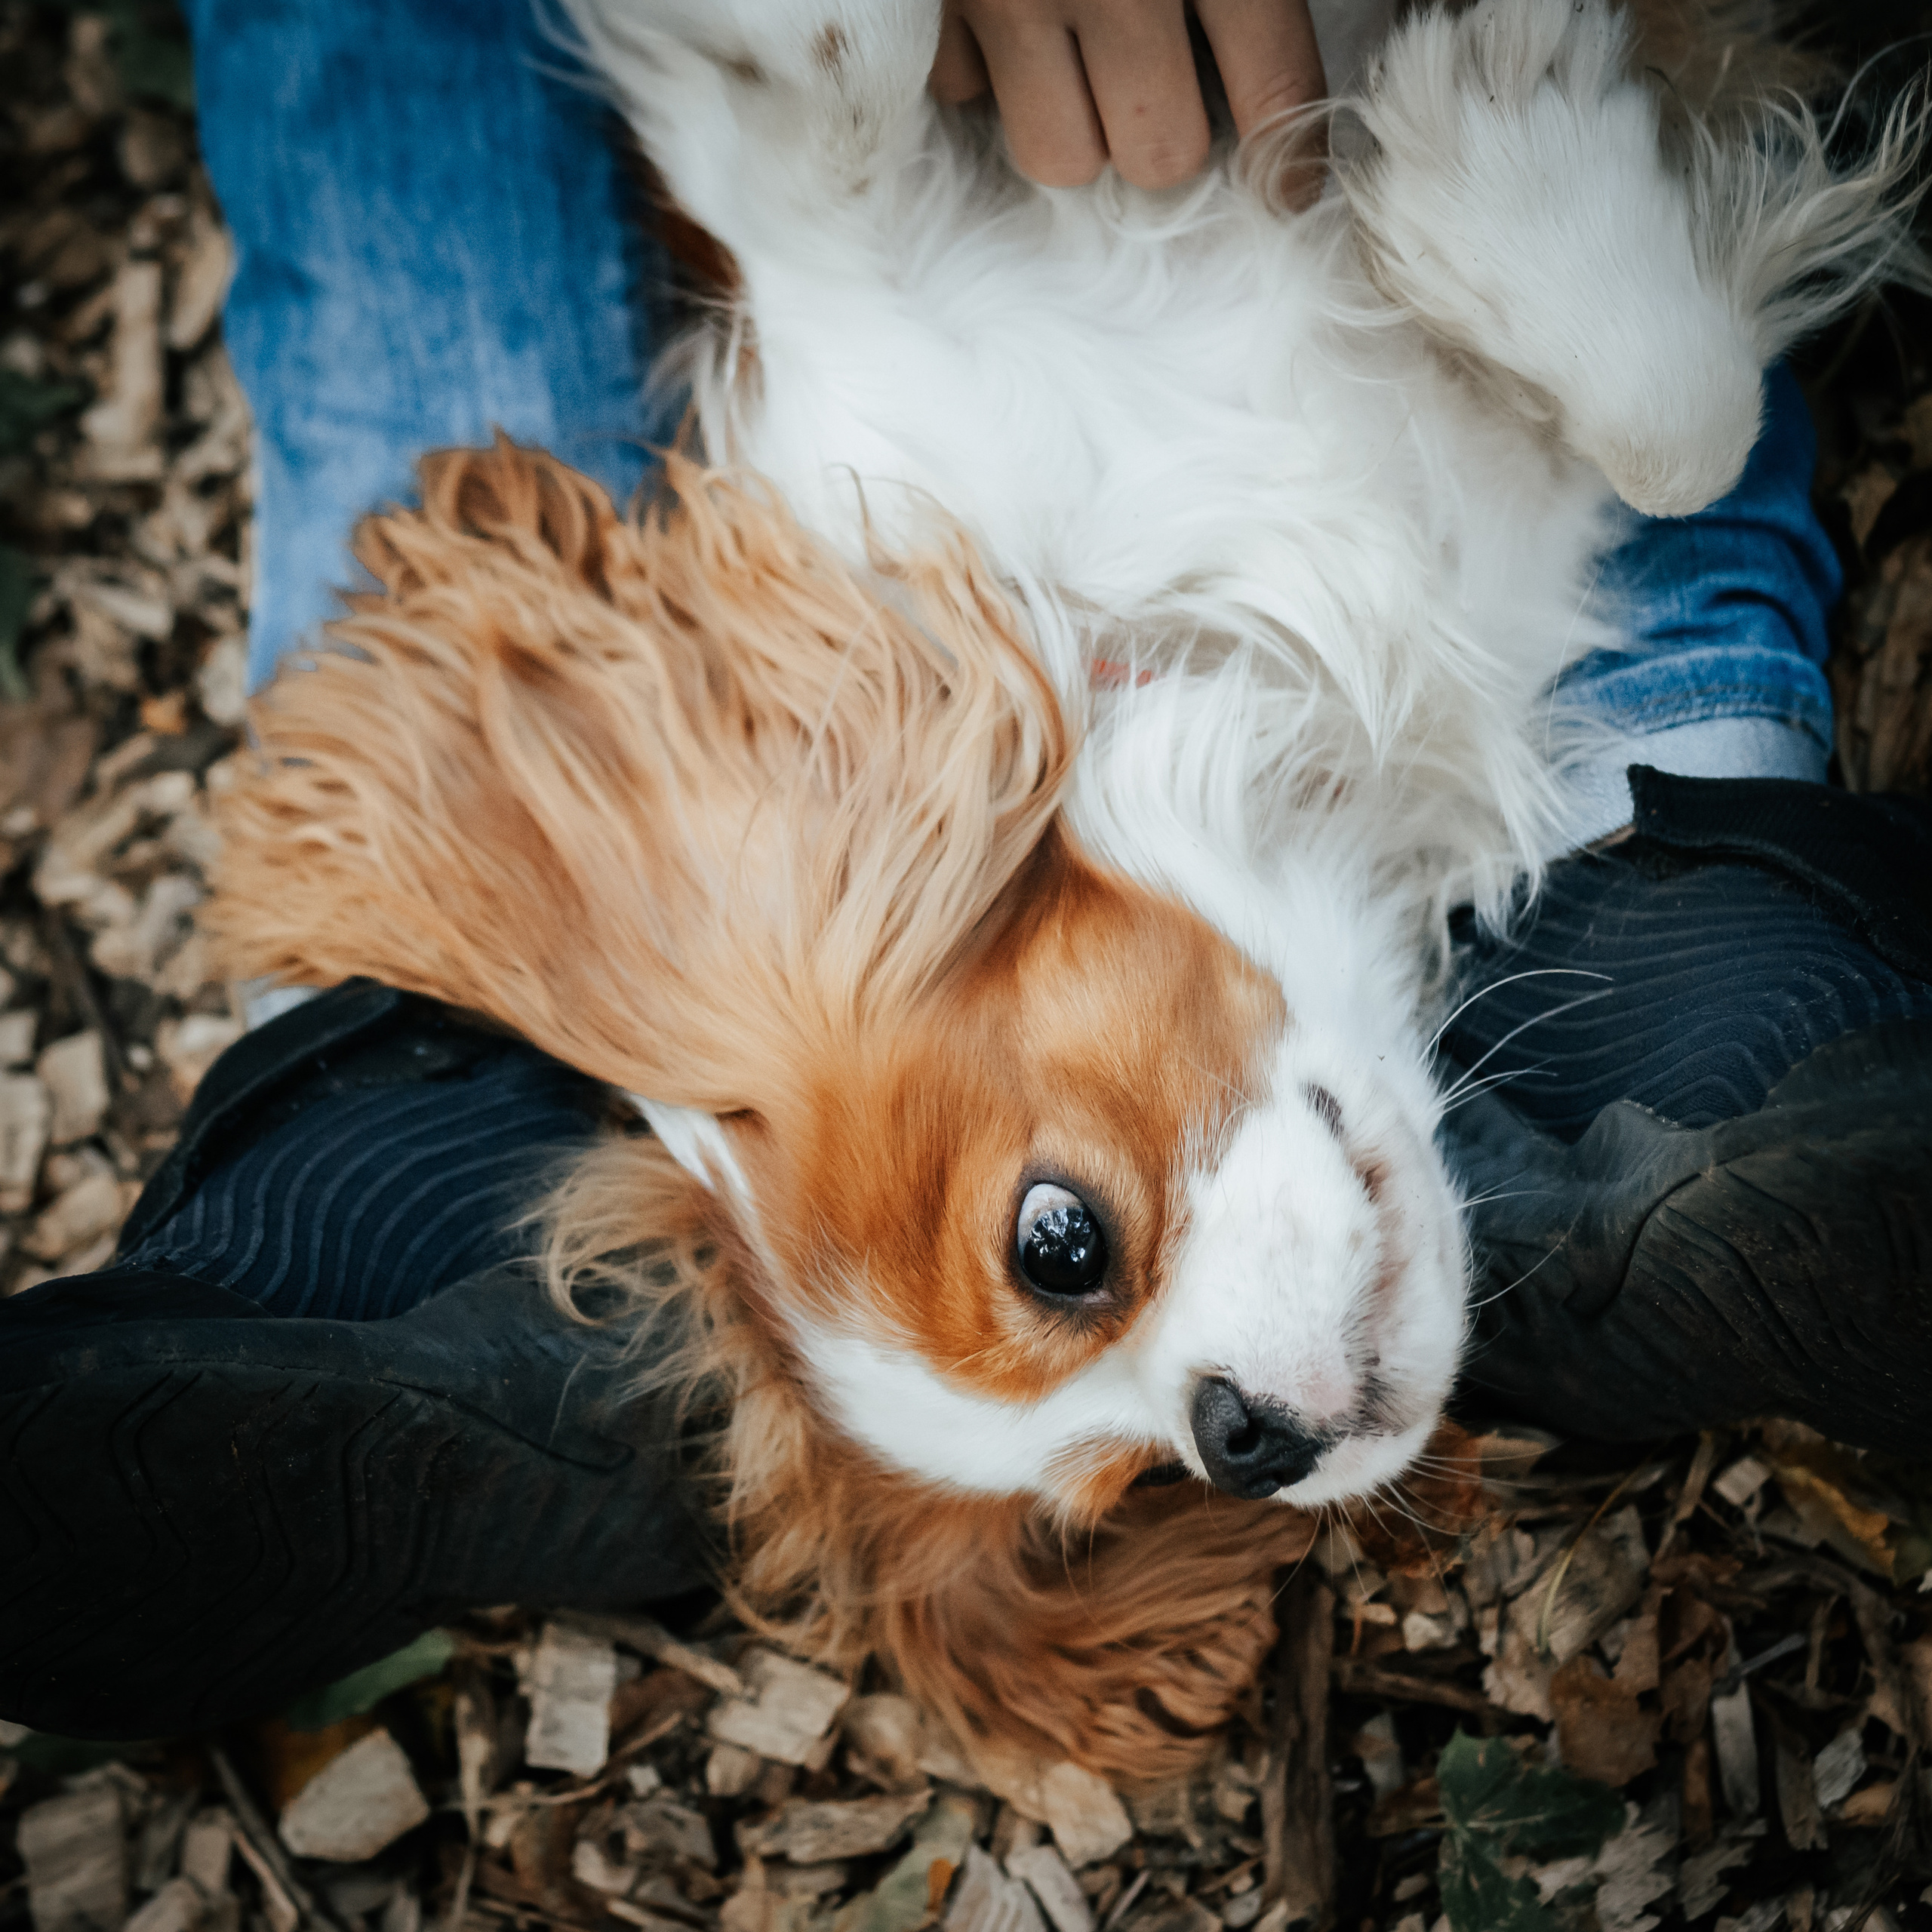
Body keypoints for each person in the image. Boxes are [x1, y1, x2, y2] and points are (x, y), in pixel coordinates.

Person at [2, 0, 1927, 1742]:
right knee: (1646, 410)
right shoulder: (1287, 838)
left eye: (1067, 1249)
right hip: (1295, 705)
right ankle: (1656, 833)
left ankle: (390, 1071)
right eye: (1165, 1448)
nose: (1231, 1435)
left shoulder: (906, 506)